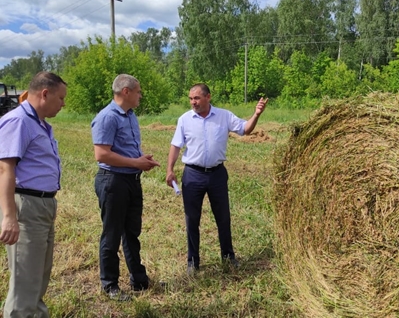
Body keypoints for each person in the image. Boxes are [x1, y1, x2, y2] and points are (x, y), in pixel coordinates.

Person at [166, 83, 268, 275]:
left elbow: (245, 129)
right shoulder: (185, 120)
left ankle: (228, 257)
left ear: (208, 97)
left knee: (223, 218)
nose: (193, 102)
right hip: (193, 175)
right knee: (192, 219)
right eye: (190, 98)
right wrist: (169, 169)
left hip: (217, 175)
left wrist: (256, 114)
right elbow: (176, 145)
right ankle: (193, 262)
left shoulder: (224, 116)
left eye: (196, 98)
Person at [0, 71, 67, 317]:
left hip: (42, 206)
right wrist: (9, 217)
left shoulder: (38, 124)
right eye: (61, 98)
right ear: (45, 93)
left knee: (38, 276)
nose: (63, 104)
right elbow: (5, 169)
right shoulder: (19, 121)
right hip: (26, 205)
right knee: (25, 282)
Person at [91, 74, 160, 300]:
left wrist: (141, 159)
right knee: (111, 235)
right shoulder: (107, 117)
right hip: (113, 181)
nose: (141, 95)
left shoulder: (130, 116)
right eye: (138, 91)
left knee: (132, 233)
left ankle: (138, 280)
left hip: (131, 180)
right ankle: (110, 284)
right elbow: (101, 154)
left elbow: (124, 149)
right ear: (126, 92)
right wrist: (135, 162)